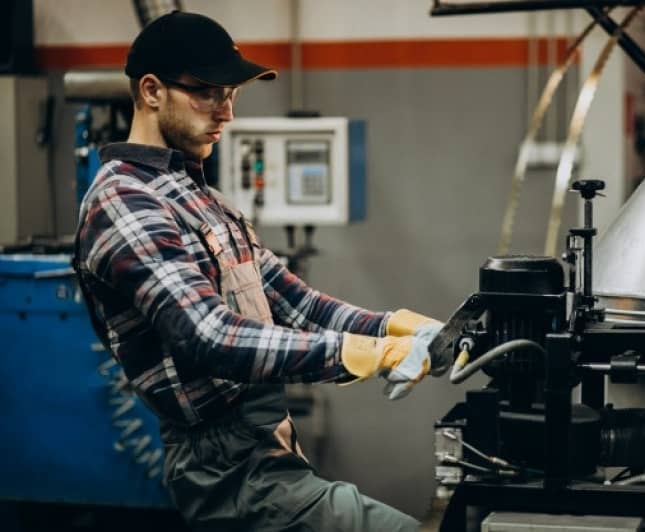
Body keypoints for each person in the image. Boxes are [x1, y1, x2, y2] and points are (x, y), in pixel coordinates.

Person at [73, 11, 447, 532]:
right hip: (223, 468)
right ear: (152, 91)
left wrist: (395, 327)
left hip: (266, 443)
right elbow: (208, 335)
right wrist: (360, 354)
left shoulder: (204, 199)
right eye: (207, 92)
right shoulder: (123, 200)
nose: (226, 111)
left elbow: (297, 303)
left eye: (231, 94)